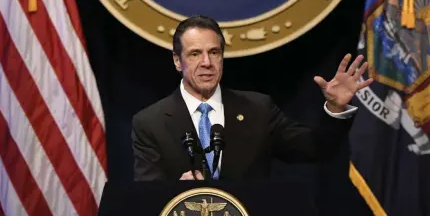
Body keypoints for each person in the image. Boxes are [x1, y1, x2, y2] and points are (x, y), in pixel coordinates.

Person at [131, 15, 373, 182]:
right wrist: (174, 193)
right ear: (177, 61)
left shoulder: (258, 109)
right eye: (195, 54)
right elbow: (146, 197)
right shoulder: (150, 122)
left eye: (214, 52)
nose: (206, 62)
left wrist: (335, 106)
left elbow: (315, 149)